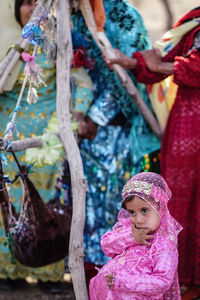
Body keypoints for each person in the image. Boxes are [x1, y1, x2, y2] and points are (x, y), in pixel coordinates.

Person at [103, 6, 200, 292]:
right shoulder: (193, 20)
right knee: (181, 198)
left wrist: (165, 67)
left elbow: (188, 67)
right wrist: (132, 63)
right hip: (187, 123)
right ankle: (184, 279)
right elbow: (158, 60)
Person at [71, 0, 161, 283]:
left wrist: (95, 118)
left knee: (114, 203)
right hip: (81, 125)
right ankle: (87, 271)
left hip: (118, 131)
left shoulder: (123, 16)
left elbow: (127, 78)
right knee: (86, 202)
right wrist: (77, 117)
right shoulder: (71, 16)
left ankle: (113, 274)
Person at [0, 0, 64, 293]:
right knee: (8, 201)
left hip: (47, 134)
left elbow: (78, 78)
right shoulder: (5, 36)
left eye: (37, 2)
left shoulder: (60, 39)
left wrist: (73, 116)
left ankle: (48, 273)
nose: (31, 8)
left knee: (46, 200)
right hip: (8, 130)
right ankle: (9, 269)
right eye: (24, 2)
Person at [89, 172, 182, 299]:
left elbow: (162, 282)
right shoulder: (130, 229)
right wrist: (132, 237)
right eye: (132, 212)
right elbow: (106, 245)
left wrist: (122, 282)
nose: (138, 220)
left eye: (144, 211)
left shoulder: (164, 245)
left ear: (160, 208)